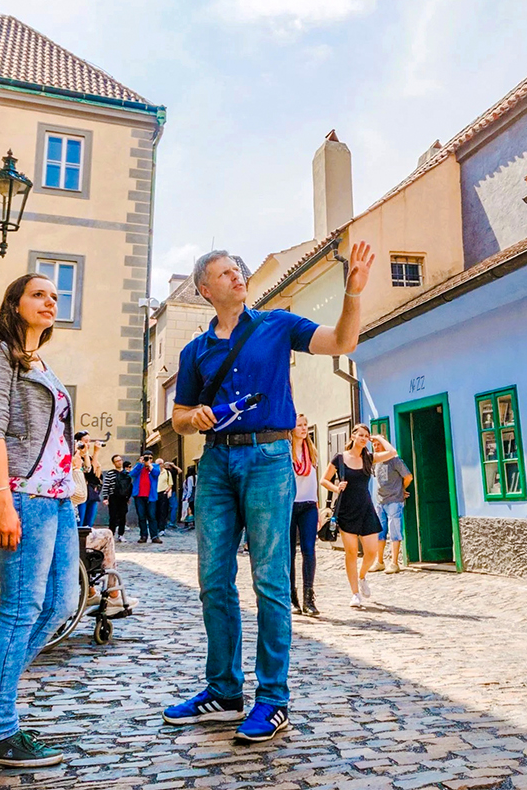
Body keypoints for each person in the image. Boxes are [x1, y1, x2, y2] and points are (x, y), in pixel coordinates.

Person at [161, 243, 373, 744]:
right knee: (213, 579)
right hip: (215, 461)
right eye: (226, 273)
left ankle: (273, 699)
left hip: (269, 458)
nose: (238, 277)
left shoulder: (278, 324)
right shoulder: (195, 351)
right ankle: (223, 691)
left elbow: (343, 341)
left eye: (239, 270)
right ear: (205, 289)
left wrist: (353, 292)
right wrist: (194, 417)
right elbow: (179, 417)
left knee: (271, 581)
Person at [0, 272, 79, 768]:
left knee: (63, 599)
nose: (50, 300)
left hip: (55, 495)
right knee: (22, 608)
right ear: (15, 303)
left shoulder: (39, 360)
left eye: (53, 294)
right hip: (20, 493)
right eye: (38, 294)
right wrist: (1, 499)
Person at [322, 424, 397, 609]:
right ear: (353, 436)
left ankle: (362, 576)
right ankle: (355, 593)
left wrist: (378, 438)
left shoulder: (369, 458)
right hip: (346, 510)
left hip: (365, 507)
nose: (364, 438)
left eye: (366, 436)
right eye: (361, 435)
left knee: (371, 552)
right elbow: (324, 479)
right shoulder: (340, 458)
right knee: (351, 553)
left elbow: (392, 452)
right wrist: (335, 487)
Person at [287, 414, 320, 616]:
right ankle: (291, 596)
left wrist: (318, 506)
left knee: (309, 549)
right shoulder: (286, 451)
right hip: (290, 505)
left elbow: (314, 480)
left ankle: (309, 597)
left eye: (305, 425)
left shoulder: (311, 451)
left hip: (308, 505)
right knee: (289, 552)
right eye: (299, 425)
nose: (303, 428)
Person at [370, 441, 412, 573]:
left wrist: (402, 489)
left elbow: (408, 477)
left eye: (378, 444)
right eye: (374, 445)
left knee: (395, 531)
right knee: (379, 532)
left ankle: (394, 563)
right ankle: (380, 561)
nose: (376, 447)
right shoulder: (375, 462)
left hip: (394, 500)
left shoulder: (394, 460)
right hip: (380, 501)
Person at [129, 452, 159, 543]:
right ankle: (143, 536)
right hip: (139, 496)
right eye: (146, 458)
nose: (148, 459)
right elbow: (132, 474)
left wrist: (149, 466)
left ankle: (154, 536)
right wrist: (140, 464)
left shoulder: (155, 466)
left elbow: (156, 473)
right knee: (141, 517)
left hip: (151, 496)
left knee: (152, 516)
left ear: (152, 459)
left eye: (150, 458)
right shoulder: (138, 467)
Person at [76, 432, 103, 527]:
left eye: (89, 441)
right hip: (80, 494)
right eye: (86, 441)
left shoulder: (89, 457)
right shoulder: (76, 457)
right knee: (80, 524)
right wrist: (95, 452)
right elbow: (90, 472)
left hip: (91, 493)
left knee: (89, 525)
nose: (88, 444)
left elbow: (95, 475)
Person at [101, 455, 130, 540]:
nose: (119, 462)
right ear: (114, 463)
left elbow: (129, 486)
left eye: (120, 460)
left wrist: (128, 497)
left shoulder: (126, 473)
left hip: (123, 498)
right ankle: (111, 534)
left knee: (123, 516)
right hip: (113, 496)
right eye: (117, 461)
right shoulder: (110, 473)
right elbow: (106, 485)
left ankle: (121, 534)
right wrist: (105, 498)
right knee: (112, 516)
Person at [154, 457, 175, 537]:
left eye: (160, 463)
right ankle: (155, 528)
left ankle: (162, 529)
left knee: (163, 511)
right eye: (157, 464)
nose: (159, 465)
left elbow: (170, 484)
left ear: (163, 464)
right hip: (154, 493)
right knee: (155, 511)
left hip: (163, 493)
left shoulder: (167, 473)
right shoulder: (153, 472)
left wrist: (167, 491)